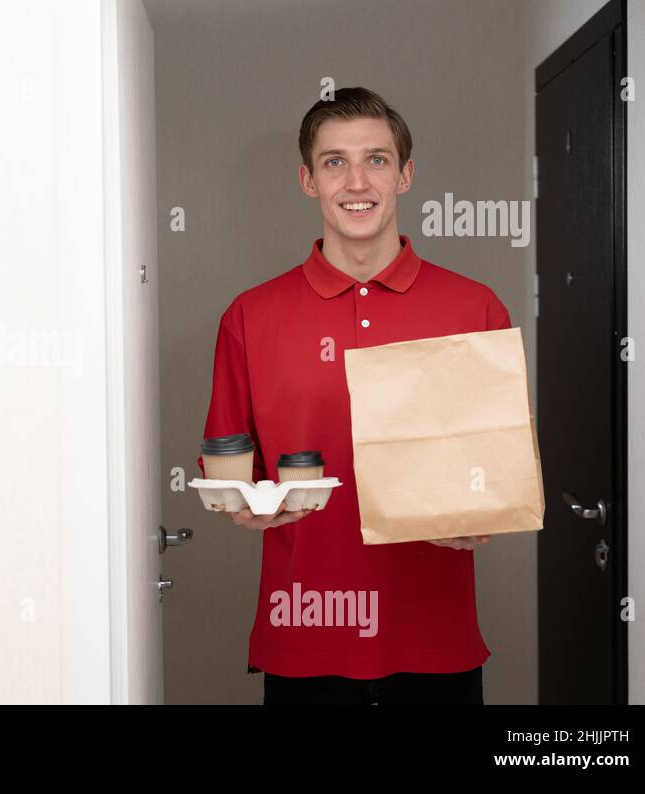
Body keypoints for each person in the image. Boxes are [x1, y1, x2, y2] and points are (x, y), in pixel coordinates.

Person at [197, 87, 512, 705]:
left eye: (377, 158)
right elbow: (230, 467)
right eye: (334, 161)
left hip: (434, 644)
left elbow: (499, 467)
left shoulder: (474, 307)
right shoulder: (250, 316)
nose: (356, 180)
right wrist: (243, 504)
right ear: (308, 180)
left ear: (405, 174)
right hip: (305, 638)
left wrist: (484, 514)